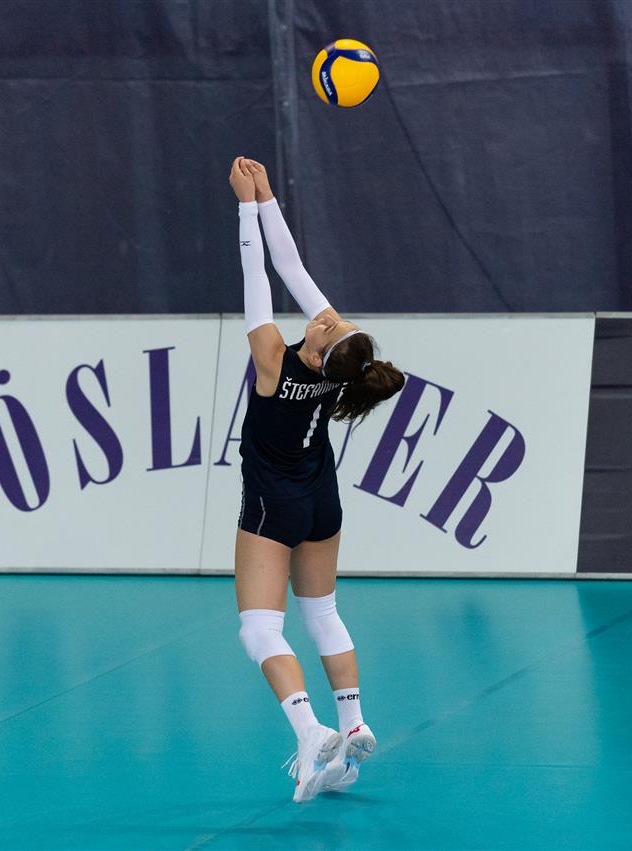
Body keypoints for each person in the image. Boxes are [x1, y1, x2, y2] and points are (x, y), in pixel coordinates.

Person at [228, 156, 405, 801]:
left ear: (321, 347)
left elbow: (259, 274)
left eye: (332, 323)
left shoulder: (274, 361)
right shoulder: (339, 368)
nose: (327, 314)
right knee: (323, 612)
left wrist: (243, 209)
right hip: (321, 502)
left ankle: (310, 733)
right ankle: (354, 724)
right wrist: (267, 197)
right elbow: (293, 266)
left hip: (273, 504)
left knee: (259, 630)